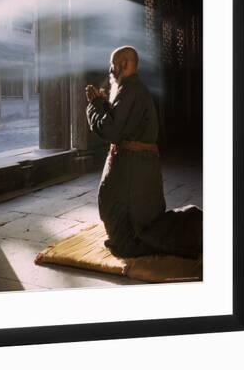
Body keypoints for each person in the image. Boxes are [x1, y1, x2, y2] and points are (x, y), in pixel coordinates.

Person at [85, 45, 202, 259]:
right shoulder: (130, 89)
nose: (110, 71)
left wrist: (93, 106)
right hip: (137, 166)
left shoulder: (130, 89)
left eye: (112, 66)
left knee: (131, 240)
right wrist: (101, 103)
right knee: (138, 223)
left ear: (124, 64)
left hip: (133, 170)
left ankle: (196, 228)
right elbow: (118, 120)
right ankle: (193, 226)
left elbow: (111, 130)